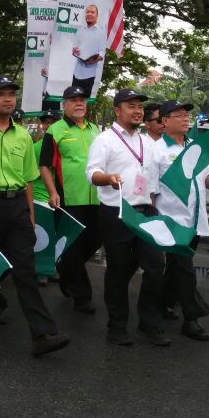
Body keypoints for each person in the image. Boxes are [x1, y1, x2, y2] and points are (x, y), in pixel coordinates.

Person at [0, 74, 70, 355]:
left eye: (12, 93)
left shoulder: (23, 135)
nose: (9, 98)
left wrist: (30, 214)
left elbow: (29, 180)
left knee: (24, 269)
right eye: (1, 93)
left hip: (18, 207)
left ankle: (42, 334)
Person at [85, 88, 169, 346]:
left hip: (144, 212)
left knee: (155, 267)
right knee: (118, 272)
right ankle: (117, 326)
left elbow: (155, 175)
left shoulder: (147, 142)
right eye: (131, 106)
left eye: (140, 107)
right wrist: (107, 178)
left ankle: (149, 323)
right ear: (117, 109)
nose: (137, 111)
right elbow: (92, 172)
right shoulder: (105, 139)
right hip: (116, 213)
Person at [153, 100, 209, 341]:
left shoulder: (196, 146)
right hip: (171, 222)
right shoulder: (157, 151)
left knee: (176, 267)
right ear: (164, 121)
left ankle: (162, 304)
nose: (185, 119)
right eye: (178, 115)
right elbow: (151, 190)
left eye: (186, 115)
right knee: (185, 269)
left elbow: (206, 179)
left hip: (196, 220)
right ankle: (192, 318)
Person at [38, 86, 103, 312]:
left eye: (82, 100)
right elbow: (44, 165)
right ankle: (82, 297)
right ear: (64, 104)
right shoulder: (55, 131)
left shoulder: (95, 130)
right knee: (73, 247)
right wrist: (52, 192)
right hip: (68, 200)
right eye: (74, 100)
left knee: (95, 240)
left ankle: (66, 270)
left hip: (96, 198)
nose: (79, 104)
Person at [32, 109, 61, 286]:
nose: (48, 124)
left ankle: (51, 267)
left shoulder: (63, 145)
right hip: (39, 196)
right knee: (41, 235)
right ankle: (40, 270)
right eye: (46, 121)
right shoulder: (34, 147)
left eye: (52, 121)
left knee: (55, 234)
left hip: (62, 198)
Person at [71, 4, 105, 94]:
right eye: (87, 12)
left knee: (84, 102)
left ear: (97, 16)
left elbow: (102, 53)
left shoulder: (101, 33)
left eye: (92, 12)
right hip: (76, 73)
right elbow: (75, 47)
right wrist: (74, 51)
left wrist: (93, 60)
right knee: (73, 99)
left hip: (89, 76)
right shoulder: (80, 30)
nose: (89, 14)